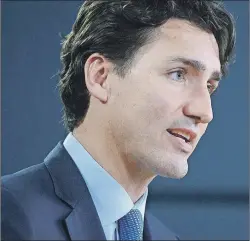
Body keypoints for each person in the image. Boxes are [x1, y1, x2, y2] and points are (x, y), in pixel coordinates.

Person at [1, 0, 236, 240]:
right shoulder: (9, 212)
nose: (205, 111)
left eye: (209, 86)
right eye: (178, 74)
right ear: (101, 77)